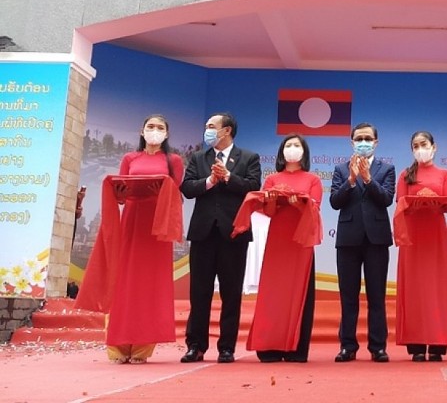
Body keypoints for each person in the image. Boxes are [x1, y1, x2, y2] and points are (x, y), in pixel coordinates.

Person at [75, 114, 184, 364]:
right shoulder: (129, 158)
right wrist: (121, 193)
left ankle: (143, 348)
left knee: (150, 284)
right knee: (125, 282)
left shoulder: (173, 160)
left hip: (157, 228)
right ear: (141, 131)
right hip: (132, 220)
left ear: (166, 134)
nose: (154, 131)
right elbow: (120, 194)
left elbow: (175, 195)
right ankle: (119, 346)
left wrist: (163, 189)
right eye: (150, 127)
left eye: (160, 128)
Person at [232, 134, 322, 363]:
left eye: (297, 145)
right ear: (282, 152)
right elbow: (268, 211)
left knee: (298, 293)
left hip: (301, 242)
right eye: (288, 145)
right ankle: (269, 346)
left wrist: (299, 203)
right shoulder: (272, 178)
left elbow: (315, 208)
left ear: (304, 152)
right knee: (274, 292)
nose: (292, 149)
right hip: (278, 240)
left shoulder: (313, 179)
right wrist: (272, 200)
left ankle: (296, 348)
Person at [180, 113, 262, 364]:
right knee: (199, 293)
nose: (207, 130)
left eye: (211, 127)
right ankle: (196, 346)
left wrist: (227, 176)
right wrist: (209, 181)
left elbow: (253, 187)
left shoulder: (249, 158)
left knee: (231, 293)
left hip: (234, 233)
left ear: (226, 131)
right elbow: (187, 187)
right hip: (203, 234)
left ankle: (226, 347)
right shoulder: (198, 158)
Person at [392, 131, 447, 362]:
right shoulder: (406, 174)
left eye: (424, 144)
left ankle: (437, 345)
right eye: (415, 146)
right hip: (413, 236)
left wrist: (433, 201)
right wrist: (417, 203)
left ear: (434, 147)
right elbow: (400, 204)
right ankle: (416, 345)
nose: (420, 149)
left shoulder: (445, 174)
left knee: (437, 287)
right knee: (414, 287)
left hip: (435, 236)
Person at [329, 122, 396, 363]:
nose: (363, 142)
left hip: (377, 239)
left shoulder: (386, 168)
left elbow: (387, 199)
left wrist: (368, 179)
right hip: (348, 240)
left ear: (376, 142)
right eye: (359, 139)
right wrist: (350, 180)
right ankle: (348, 345)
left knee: (376, 296)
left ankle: (378, 346)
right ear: (352, 142)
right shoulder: (340, 169)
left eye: (368, 138)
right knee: (348, 295)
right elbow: (334, 202)